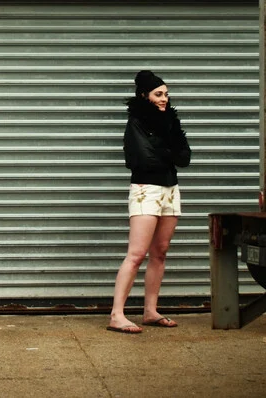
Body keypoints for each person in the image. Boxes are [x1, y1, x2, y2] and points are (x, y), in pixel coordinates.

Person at [107, 70, 192, 334]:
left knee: (160, 252)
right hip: (146, 190)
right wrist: (169, 152)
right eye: (158, 94)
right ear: (144, 96)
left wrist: (165, 151)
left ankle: (150, 311)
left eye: (166, 94)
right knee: (136, 254)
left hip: (170, 189)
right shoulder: (136, 123)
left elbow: (185, 157)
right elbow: (143, 160)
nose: (164, 99)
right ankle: (116, 315)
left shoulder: (171, 122)